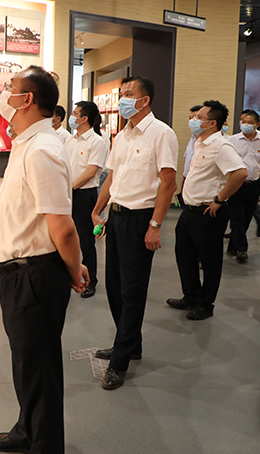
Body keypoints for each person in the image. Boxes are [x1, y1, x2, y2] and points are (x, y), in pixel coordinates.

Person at [0, 66, 88, 454]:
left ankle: (44, 445)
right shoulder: (27, 143)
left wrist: (74, 267)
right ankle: (26, 430)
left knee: (39, 369)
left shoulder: (42, 149)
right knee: (27, 363)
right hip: (19, 274)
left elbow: (63, 226)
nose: (4, 93)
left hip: (34, 275)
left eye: (9, 87)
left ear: (26, 99)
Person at [90, 76, 178, 390]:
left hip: (141, 220)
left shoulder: (161, 133)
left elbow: (168, 183)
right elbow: (112, 177)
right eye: (122, 94)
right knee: (114, 286)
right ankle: (129, 343)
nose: (123, 99)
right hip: (116, 218)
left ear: (145, 100)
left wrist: (155, 225)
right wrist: (98, 209)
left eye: (129, 94)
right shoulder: (123, 135)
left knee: (132, 291)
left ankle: (119, 362)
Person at [167, 101, 247, 320]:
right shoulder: (200, 142)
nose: (194, 120)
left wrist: (220, 200)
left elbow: (240, 173)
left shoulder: (221, 146)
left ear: (212, 123)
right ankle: (191, 296)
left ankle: (205, 304)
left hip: (207, 212)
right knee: (184, 255)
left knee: (210, 261)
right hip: (190, 210)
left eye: (199, 117)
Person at [62, 100, 108, 299]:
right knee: (64, 235)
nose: (72, 117)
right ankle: (66, 276)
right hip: (67, 193)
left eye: (75, 114)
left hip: (83, 195)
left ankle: (91, 281)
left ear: (84, 119)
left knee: (86, 241)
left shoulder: (97, 141)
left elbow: (91, 172)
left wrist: (70, 188)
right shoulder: (70, 140)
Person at [226, 109, 260, 263]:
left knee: (245, 219)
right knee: (237, 217)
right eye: (243, 122)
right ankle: (242, 249)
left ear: (257, 124)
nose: (245, 125)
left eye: (249, 122)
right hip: (235, 185)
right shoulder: (232, 140)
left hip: (253, 185)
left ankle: (233, 246)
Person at [178, 105, 203, 205]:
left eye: (195, 117)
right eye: (190, 117)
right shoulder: (192, 139)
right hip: (187, 180)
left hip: (199, 183)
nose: (192, 120)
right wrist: (181, 187)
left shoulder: (209, 141)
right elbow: (186, 164)